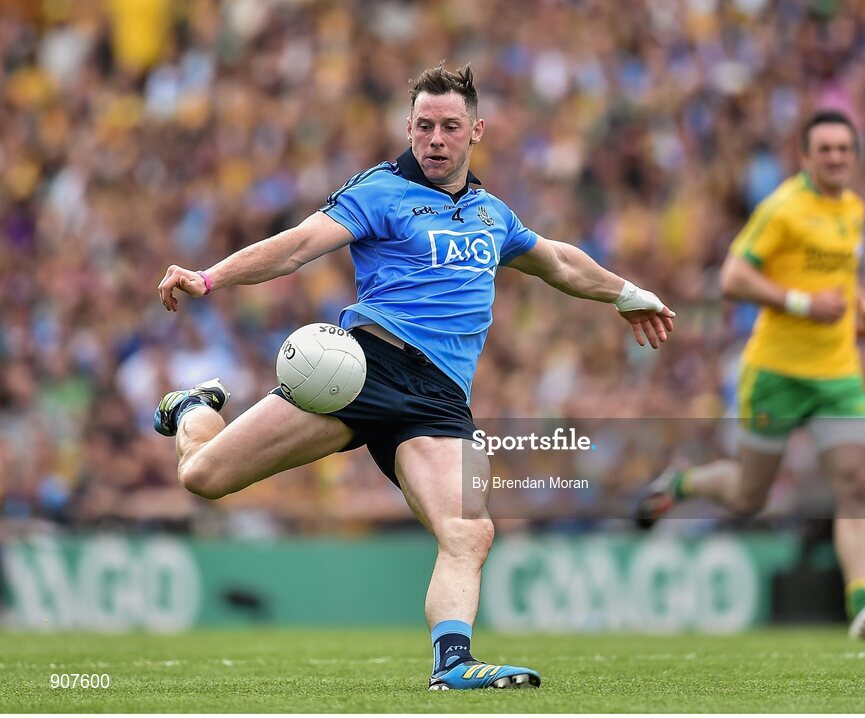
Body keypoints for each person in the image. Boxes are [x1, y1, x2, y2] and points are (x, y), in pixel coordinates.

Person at [155, 63, 675, 690]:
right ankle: (192, 407)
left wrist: (626, 293)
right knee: (203, 477)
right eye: (423, 126)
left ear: (476, 130)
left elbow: (558, 261)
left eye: (449, 127)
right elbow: (297, 245)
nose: (434, 139)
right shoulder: (378, 191)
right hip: (363, 371)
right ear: (408, 127)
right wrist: (208, 278)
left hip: (438, 401)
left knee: (470, 528)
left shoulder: (492, 215)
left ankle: (452, 665)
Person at [635, 110, 865, 639]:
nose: (835, 158)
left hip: (837, 372)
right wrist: (803, 303)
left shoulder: (853, 208)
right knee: (748, 498)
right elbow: (732, 278)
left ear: (854, 155)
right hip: (776, 372)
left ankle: (861, 604)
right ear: (804, 156)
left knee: (853, 481)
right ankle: (683, 482)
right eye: (824, 149)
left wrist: (861, 304)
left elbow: (837, 273)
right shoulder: (782, 208)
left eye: (843, 149)